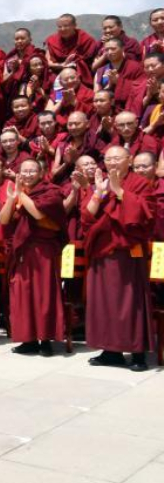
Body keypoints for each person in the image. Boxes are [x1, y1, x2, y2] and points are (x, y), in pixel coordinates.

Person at [82, 146, 155, 371]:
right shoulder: (102, 183)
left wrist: (119, 191)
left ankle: (137, 352)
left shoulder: (140, 184)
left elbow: (145, 214)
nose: (112, 163)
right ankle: (111, 351)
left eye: (117, 158)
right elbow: (87, 216)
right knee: (104, 303)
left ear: (129, 160)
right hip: (102, 251)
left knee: (129, 302)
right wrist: (98, 192)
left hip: (127, 252)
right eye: (108, 159)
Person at [0, 159, 67, 356]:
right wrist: (12, 198)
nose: (27, 175)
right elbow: (3, 219)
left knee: (43, 294)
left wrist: (20, 193)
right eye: (24, 171)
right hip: (21, 251)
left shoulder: (51, 191)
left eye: (31, 171)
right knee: (22, 293)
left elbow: (37, 214)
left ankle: (45, 340)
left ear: (40, 173)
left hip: (42, 251)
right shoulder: (17, 192)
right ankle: (28, 339)